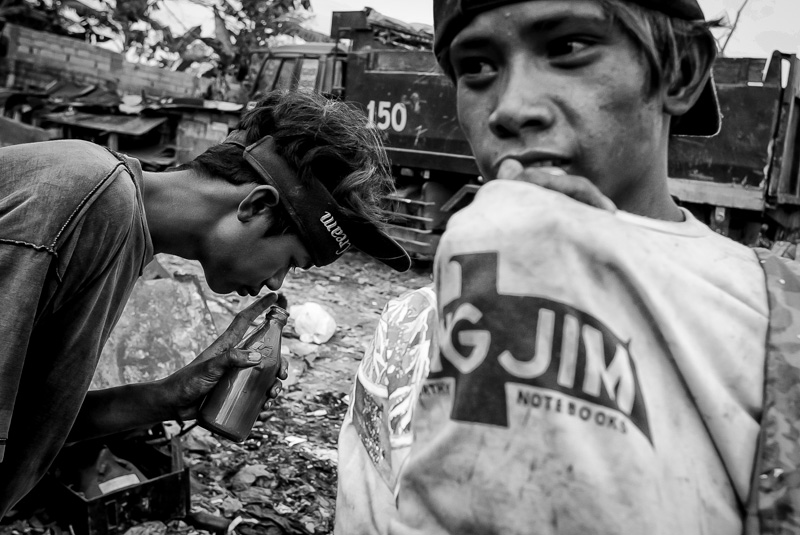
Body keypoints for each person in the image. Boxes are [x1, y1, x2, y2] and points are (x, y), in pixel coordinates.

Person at [386, 0, 800, 533]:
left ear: (682, 70)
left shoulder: (775, 320)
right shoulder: (402, 335)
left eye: (567, 48)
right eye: (477, 67)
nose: (510, 108)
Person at [0, 89, 411, 517]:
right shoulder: (92, 199)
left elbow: (27, 424)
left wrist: (166, 396)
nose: (275, 281)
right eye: (290, 262)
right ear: (257, 204)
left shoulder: (122, 230)